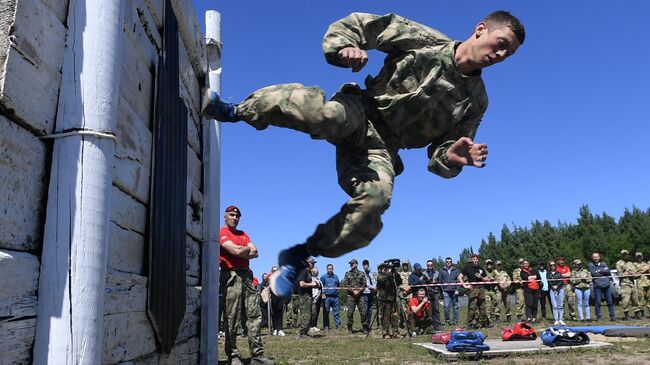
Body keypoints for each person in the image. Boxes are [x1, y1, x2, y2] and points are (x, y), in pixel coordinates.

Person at [201, 11, 526, 297]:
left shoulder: (476, 101)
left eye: (508, 53)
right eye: (500, 43)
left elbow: (444, 154)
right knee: (324, 116)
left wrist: (452, 160)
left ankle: (300, 255)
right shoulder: (424, 40)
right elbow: (360, 25)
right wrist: (342, 48)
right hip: (362, 113)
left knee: (375, 203)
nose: (500, 54)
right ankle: (235, 110)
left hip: (382, 150)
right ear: (480, 29)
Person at [218, 205, 274, 365]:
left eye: (237, 216)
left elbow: (255, 252)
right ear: (225, 216)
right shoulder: (222, 232)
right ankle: (233, 356)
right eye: (231, 215)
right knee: (232, 316)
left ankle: (257, 355)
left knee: (254, 315)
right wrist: (242, 251)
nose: (234, 218)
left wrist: (239, 250)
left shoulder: (243, 234)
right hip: (231, 275)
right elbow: (234, 251)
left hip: (246, 275)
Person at [459, 254, 491, 329]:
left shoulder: (481, 268)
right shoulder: (467, 267)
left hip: (481, 288)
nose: (475, 260)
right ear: (471, 260)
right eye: (474, 259)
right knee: (472, 307)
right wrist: (465, 285)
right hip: (473, 289)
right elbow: (460, 277)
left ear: (478, 260)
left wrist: (481, 277)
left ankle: (483, 322)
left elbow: (486, 278)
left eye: (476, 259)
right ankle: (470, 323)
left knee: (482, 306)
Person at [587, 252, 616, 321]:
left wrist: (599, 271)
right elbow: (594, 274)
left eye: (597, 257)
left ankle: (612, 316)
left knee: (610, 301)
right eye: (594, 257)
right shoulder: (590, 265)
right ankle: (599, 317)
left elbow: (608, 271)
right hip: (597, 285)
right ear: (592, 258)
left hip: (606, 284)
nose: (595, 258)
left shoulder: (604, 263)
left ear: (599, 257)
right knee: (597, 302)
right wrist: (603, 272)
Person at [376, 262, 402, 338]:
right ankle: (385, 333)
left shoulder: (392, 275)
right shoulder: (380, 276)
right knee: (385, 317)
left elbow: (399, 282)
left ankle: (395, 332)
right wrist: (389, 274)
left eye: (385, 267)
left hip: (392, 298)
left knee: (395, 316)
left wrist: (395, 272)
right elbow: (383, 280)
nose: (385, 269)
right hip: (384, 299)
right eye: (383, 267)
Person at [342, 259, 368, 333]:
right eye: (350, 264)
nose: (351, 265)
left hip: (360, 296)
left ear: (356, 264)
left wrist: (358, 291)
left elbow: (364, 284)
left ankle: (364, 327)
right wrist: (353, 291)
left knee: (363, 312)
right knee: (350, 312)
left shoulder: (361, 274)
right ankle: (349, 327)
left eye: (352, 264)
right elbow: (346, 284)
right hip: (351, 296)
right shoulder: (347, 274)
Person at [296, 257, 318, 338]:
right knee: (306, 315)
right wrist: (312, 284)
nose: (313, 265)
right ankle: (303, 333)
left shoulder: (309, 272)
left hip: (309, 296)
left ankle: (305, 331)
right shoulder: (303, 271)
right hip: (304, 297)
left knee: (313, 313)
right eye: (312, 263)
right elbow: (301, 284)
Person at [617, 249, 641, 320]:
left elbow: (636, 273)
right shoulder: (619, 263)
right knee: (625, 300)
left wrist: (634, 274)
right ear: (621, 255)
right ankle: (626, 315)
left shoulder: (631, 263)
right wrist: (628, 273)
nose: (625, 256)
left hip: (632, 283)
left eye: (626, 254)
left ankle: (637, 314)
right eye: (624, 254)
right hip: (624, 284)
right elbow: (620, 274)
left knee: (635, 299)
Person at [439, 257, 461, 325]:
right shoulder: (441, 270)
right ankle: (447, 321)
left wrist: (457, 289)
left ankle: (455, 321)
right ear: (445, 262)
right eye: (447, 261)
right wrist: (442, 290)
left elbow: (458, 281)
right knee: (446, 307)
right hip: (445, 291)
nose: (448, 262)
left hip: (454, 291)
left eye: (450, 261)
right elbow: (440, 281)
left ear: (452, 262)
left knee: (455, 307)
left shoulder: (456, 270)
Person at [320, 263, 341, 330]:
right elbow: (321, 286)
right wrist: (323, 296)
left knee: (336, 313)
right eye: (329, 268)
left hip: (335, 297)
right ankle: (326, 326)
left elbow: (338, 285)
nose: (330, 270)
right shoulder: (323, 277)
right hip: (327, 298)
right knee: (326, 312)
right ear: (326, 269)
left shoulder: (336, 277)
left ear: (333, 269)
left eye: (331, 268)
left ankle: (338, 326)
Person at [423, 260, 442, 328]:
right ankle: (429, 322)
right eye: (428, 265)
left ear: (433, 265)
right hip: (427, 292)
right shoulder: (424, 273)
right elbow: (423, 282)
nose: (430, 266)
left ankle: (437, 323)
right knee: (428, 308)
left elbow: (440, 281)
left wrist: (435, 282)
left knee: (436, 308)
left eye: (431, 265)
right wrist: (428, 281)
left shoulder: (437, 273)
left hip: (435, 292)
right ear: (427, 266)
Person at [269, 266, 286, 336]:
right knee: (274, 314)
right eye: (274, 270)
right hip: (273, 298)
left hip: (280, 298)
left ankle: (280, 329)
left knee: (280, 314)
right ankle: (275, 329)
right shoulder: (270, 279)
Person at [546, 261, 565, 326]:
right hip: (552, 290)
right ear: (549, 266)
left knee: (560, 305)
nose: (552, 266)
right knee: (554, 306)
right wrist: (553, 286)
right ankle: (556, 319)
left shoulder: (559, 273)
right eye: (551, 265)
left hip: (560, 289)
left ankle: (561, 319)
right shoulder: (548, 274)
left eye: (553, 265)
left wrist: (557, 286)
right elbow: (548, 281)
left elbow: (561, 281)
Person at [362, 259, 377, 329]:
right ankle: (364, 325)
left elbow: (374, 281)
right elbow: (365, 283)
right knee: (365, 309)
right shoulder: (362, 273)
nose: (366, 266)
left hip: (371, 293)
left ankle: (368, 324)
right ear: (363, 265)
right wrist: (372, 287)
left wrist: (375, 287)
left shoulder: (370, 273)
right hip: (365, 293)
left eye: (367, 264)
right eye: (365, 264)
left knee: (370, 309)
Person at [634, 252, 649, 319]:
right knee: (640, 299)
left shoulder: (646, 264)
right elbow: (634, 274)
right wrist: (644, 270)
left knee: (649, 299)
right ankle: (642, 313)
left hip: (648, 283)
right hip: (640, 284)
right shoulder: (633, 265)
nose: (639, 258)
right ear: (635, 257)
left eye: (640, 256)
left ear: (642, 257)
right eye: (637, 257)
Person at [483, 259, 498, 324]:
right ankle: (488, 319)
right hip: (486, 290)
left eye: (490, 264)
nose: (489, 265)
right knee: (488, 305)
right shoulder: (483, 271)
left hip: (492, 290)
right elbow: (481, 279)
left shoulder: (494, 272)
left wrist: (494, 280)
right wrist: (488, 280)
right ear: (485, 265)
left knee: (495, 303)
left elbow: (497, 279)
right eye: (488, 264)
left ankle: (492, 317)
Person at [309, 267, 323, 332]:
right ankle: (311, 326)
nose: (317, 273)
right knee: (313, 313)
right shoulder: (311, 279)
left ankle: (314, 325)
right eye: (316, 272)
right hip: (314, 298)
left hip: (318, 298)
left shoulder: (318, 279)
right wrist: (314, 297)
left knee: (316, 312)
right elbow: (313, 290)